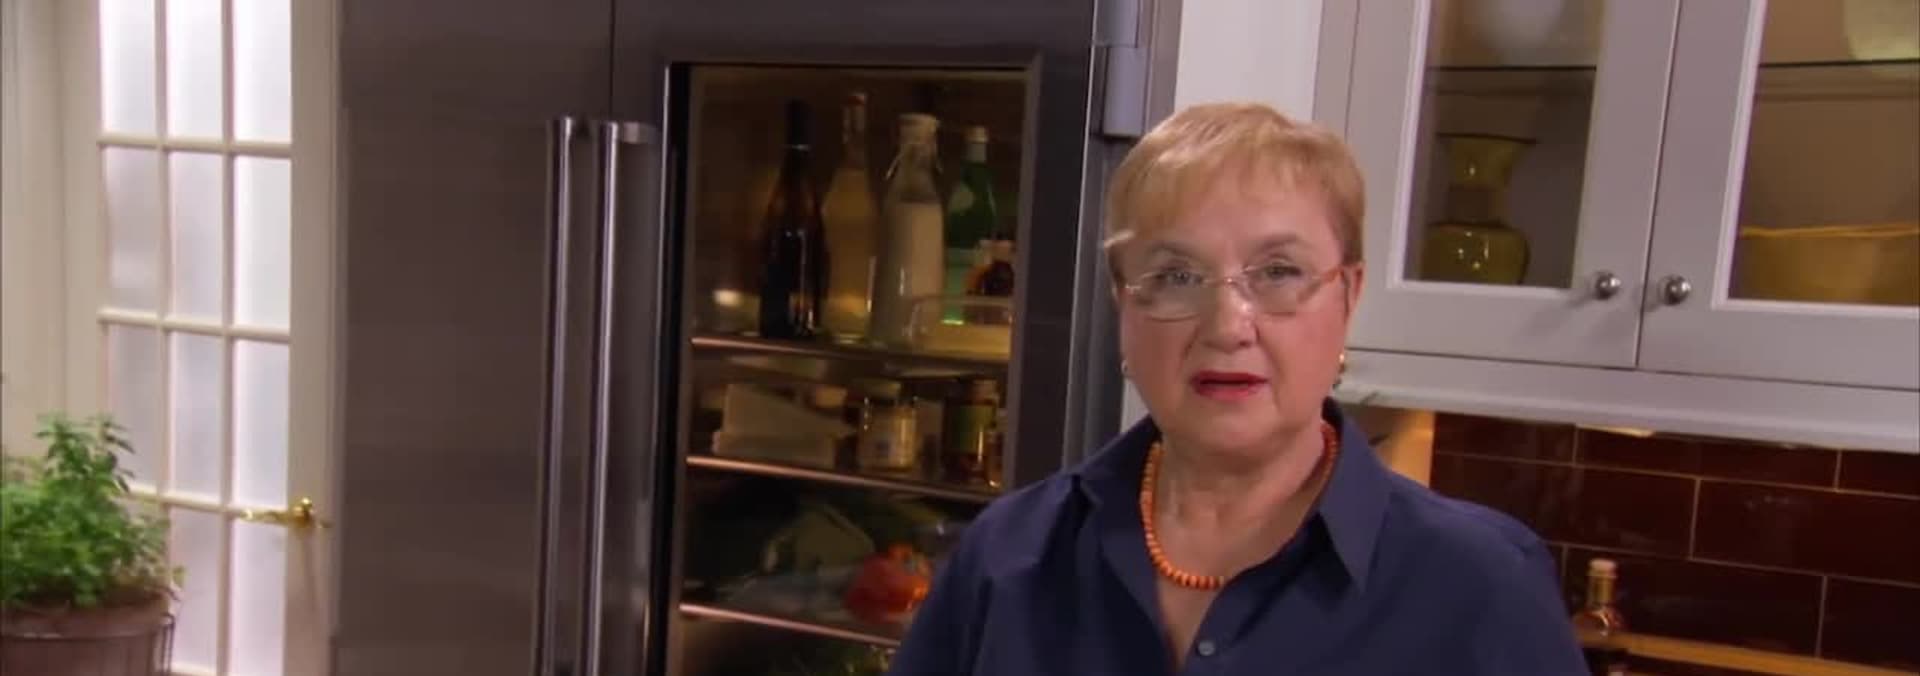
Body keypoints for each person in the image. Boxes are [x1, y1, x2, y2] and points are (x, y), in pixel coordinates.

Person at [887, 103, 1588, 674]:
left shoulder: (1479, 585)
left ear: (1347, 296)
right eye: (1176, 276)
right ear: (1125, 305)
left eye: (1278, 272)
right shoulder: (1008, 555)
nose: (1227, 326)